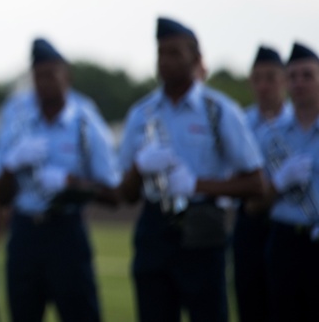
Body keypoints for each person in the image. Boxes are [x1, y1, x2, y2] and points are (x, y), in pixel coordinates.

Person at [118, 17, 264, 322]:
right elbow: (125, 194)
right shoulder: (142, 113)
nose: (165, 61)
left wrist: (197, 185)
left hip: (201, 227)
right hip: (155, 226)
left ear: (196, 59)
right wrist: (138, 167)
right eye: (161, 53)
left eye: (175, 53)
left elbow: (255, 183)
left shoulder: (218, 110)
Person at [0, 38, 119, 322]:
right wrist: (13, 163)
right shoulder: (16, 116)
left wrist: (69, 183)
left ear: (67, 76)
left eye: (51, 74)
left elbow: (113, 193)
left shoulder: (85, 120)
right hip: (25, 230)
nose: (44, 83)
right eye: (38, 76)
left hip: (66, 232)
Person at [257, 42, 319, 320]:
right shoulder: (270, 135)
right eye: (292, 76)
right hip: (284, 240)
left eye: (307, 75)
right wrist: (279, 183)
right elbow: (253, 204)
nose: (299, 83)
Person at [232, 45, 289, 322]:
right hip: (250, 222)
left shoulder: (297, 121)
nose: (264, 86)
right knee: (250, 302)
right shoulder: (240, 123)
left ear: (284, 81)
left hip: (287, 221)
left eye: (270, 77)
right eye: (257, 79)